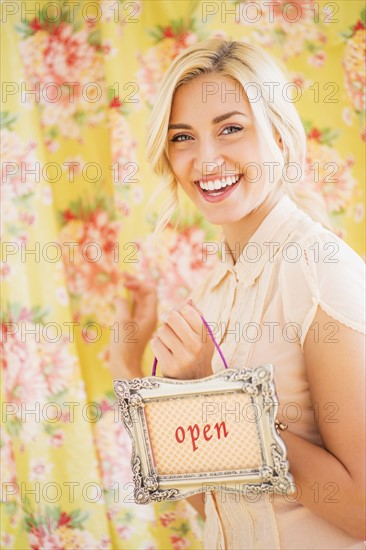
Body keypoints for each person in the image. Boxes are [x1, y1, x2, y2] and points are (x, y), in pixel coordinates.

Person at [109, 39, 365, 549]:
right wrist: (127, 365)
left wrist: (218, 395)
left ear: (281, 137)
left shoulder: (319, 270)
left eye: (231, 128)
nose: (205, 159)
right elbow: (219, 502)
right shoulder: (212, 290)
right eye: (183, 137)